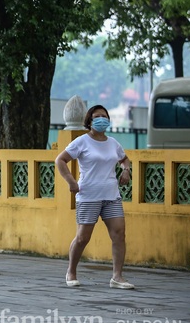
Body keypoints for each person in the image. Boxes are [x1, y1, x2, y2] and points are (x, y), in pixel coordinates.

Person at [55, 104, 135, 290]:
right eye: (97, 116)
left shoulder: (113, 143)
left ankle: (117, 277)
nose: (102, 119)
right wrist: (71, 181)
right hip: (89, 195)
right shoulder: (82, 142)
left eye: (105, 116)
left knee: (119, 235)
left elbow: (124, 158)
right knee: (83, 238)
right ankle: (71, 271)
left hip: (111, 195)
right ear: (90, 121)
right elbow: (60, 160)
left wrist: (126, 170)